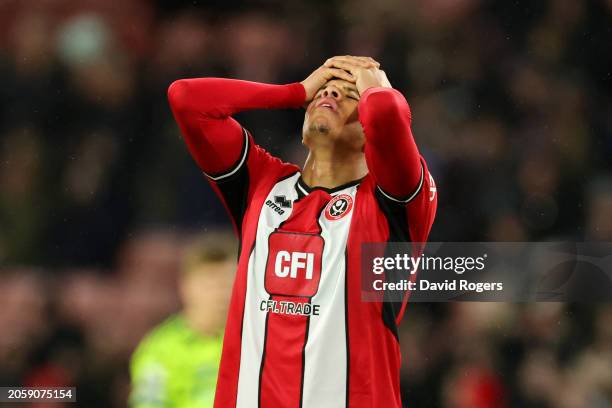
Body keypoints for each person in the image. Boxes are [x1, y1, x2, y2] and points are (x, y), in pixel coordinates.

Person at [168, 55, 437, 408]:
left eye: (350, 95)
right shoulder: (261, 184)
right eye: (323, 92)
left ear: (369, 130)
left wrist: (375, 83)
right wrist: (294, 91)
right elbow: (187, 98)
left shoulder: (393, 203)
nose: (331, 96)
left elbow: (387, 114)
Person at [129, 232, 236, 407]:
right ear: (186, 286)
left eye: (228, 284)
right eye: (210, 284)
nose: (221, 294)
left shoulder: (254, 342)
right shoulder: (160, 349)